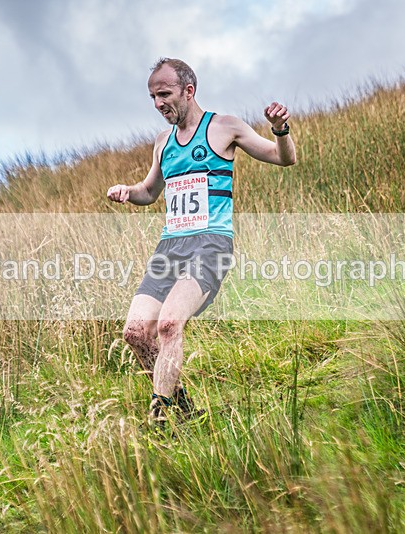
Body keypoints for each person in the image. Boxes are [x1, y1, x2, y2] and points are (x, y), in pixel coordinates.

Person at [106, 57, 296, 427]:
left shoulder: (225, 127)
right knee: (134, 332)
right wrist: (129, 192)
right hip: (170, 247)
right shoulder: (162, 142)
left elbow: (283, 159)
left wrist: (281, 129)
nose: (158, 103)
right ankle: (182, 407)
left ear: (188, 91)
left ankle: (160, 419)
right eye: (152, 97)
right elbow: (150, 190)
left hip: (210, 245)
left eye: (164, 94)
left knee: (168, 325)